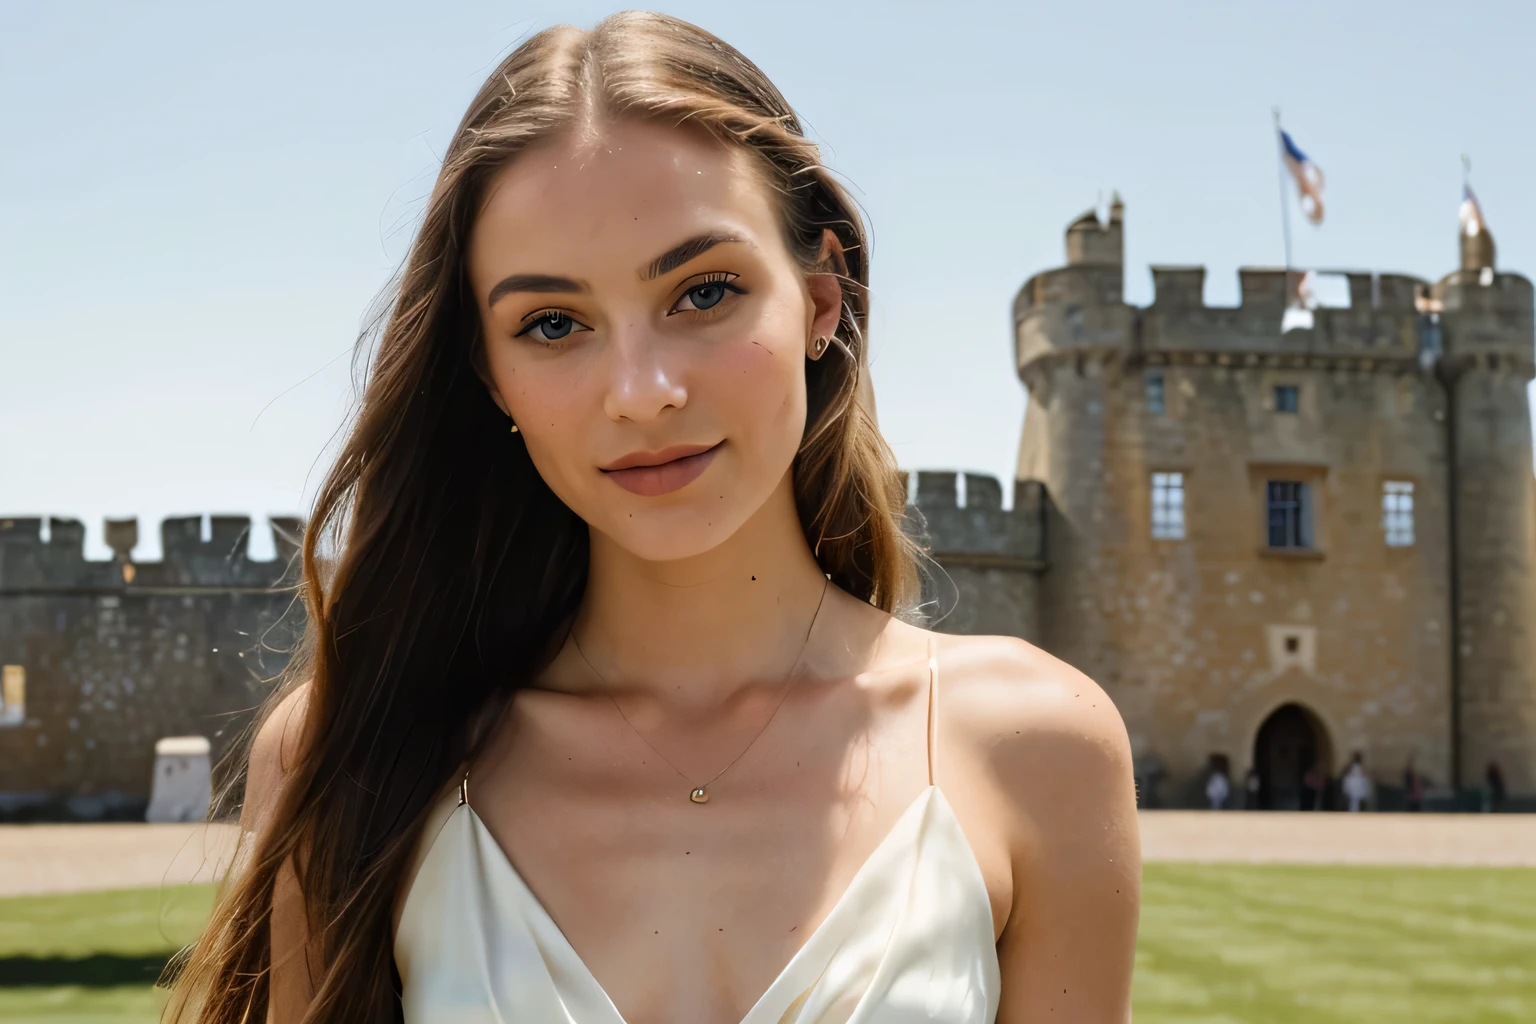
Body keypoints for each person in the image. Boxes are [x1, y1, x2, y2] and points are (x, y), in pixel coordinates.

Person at [167, 13, 1140, 1024]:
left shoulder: (1034, 749)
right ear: (489, 375)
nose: (640, 391)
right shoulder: (352, 753)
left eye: (703, 292)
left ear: (821, 296)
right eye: (552, 324)